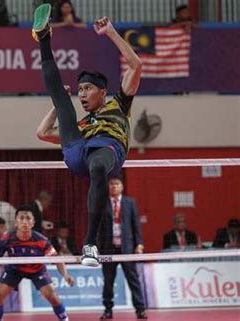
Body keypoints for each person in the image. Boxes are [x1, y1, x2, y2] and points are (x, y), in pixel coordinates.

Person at [32, 4, 142, 266]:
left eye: (88, 89)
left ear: (103, 92)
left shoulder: (119, 103)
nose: (81, 94)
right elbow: (42, 133)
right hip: (78, 151)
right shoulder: (81, 124)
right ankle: (43, 37)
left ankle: (89, 244)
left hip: (107, 149)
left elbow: (136, 66)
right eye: (80, 89)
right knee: (61, 99)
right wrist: (58, 106)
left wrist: (111, 33)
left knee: (98, 163)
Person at [0, 204, 75, 321]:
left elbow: (57, 260)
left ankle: (64, 318)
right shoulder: (7, 238)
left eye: (28, 218)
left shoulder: (41, 240)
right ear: (15, 222)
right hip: (14, 270)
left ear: (33, 223)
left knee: (51, 296)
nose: (24, 221)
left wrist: (66, 275)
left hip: (37, 270)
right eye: (21, 218)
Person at [98, 177, 147, 319]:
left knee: (133, 279)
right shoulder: (102, 203)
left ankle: (140, 309)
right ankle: (108, 310)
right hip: (108, 248)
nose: (114, 186)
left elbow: (136, 224)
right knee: (108, 281)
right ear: (108, 187)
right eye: (111, 184)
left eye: (116, 184)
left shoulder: (129, 202)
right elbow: (97, 227)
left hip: (127, 248)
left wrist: (139, 244)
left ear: (122, 187)